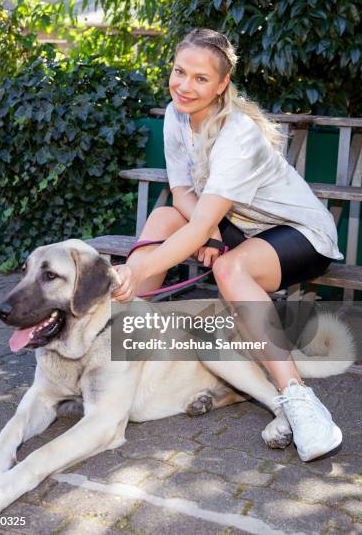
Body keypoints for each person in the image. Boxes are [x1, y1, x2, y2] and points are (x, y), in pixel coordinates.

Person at [112, 28, 344, 461]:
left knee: (229, 269)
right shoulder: (174, 115)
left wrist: (135, 269)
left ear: (222, 86)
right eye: (180, 72)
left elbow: (199, 226)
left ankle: (298, 399)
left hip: (299, 232)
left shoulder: (237, 133)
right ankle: (124, 350)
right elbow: (181, 193)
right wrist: (214, 232)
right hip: (236, 226)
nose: (184, 85)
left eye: (200, 78)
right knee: (163, 217)